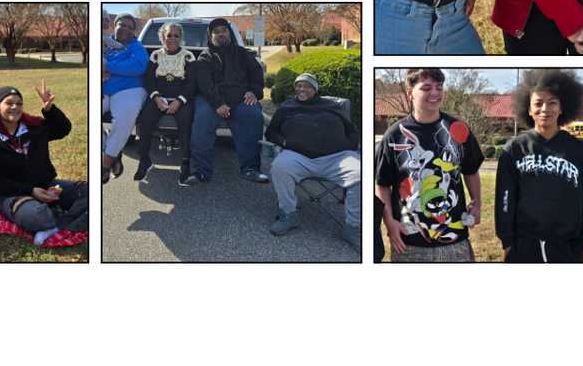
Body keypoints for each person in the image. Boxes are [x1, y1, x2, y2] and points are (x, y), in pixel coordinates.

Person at [375, 67, 484, 263]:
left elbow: (471, 171)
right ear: (410, 93)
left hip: (455, 238)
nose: (434, 93)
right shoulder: (394, 134)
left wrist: (477, 204)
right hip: (408, 240)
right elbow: (382, 184)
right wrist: (389, 222)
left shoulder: (459, 129)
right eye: (426, 88)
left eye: (439, 87)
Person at [496, 68, 583, 263]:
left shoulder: (580, 151)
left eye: (552, 103)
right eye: (538, 103)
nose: (545, 109)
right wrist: (509, 244)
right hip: (523, 246)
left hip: (567, 247)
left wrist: (582, 245)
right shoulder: (514, 149)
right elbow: (505, 199)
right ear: (528, 109)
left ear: (562, 108)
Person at [0, 82, 88, 245]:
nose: (15, 107)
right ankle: (58, 219)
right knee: (35, 215)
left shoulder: (36, 127)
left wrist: (49, 110)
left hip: (47, 185)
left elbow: (64, 129)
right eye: (9, 103)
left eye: (19, 103)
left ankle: (54, 227)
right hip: (13, 193)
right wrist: (29, 191)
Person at [265, 73, 361, 247]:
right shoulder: (287, 106)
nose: (301, 89)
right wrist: (285, 142)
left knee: (361, 172)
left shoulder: (332, 105)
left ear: (315, 89)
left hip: (337, 157)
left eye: (306, 86)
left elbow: (352, 128)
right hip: (298, 156)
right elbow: (271, 132)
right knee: (280, 167)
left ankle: (353, 226)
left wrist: (349, 145)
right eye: (298, 86)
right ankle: (289, 214)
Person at [187, 19, 269, 186]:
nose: (221, 34)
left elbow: (256, 75)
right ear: (211, 36)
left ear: (229, 33)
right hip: (211, 100)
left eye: (224, 30)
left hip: (240, 99)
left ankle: (250, 169)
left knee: (254, 115)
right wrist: (218, 103)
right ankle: (201, 171)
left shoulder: (243, 53)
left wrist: (254, 91)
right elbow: (204, 83)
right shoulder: (205, 57)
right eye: (216, 31)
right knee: (202, 120)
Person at [133, 21, 197, 185]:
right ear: (163, 37)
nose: (173, 38)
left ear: (181, 38)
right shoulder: (155, 55)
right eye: (169, 35)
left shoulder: (189, 56)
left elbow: (191, 83)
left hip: (182, 99)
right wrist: (156, 98)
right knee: (146, 118)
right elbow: (150, 80)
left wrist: (179, 102)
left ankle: (184, 163)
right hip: (158, 97)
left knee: (185, 121)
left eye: (176, 35)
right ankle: (144, 160)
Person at [101, 13, 148, 184]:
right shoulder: (104, 41)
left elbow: (137, 66)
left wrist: (107, 66)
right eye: (123, 25)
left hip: (129, 88)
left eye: (131, 27)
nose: (126, 29)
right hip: (104, 89)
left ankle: (107, 160)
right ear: (115, 24)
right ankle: (110, 150)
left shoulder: (136, 46)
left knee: (126, 112)